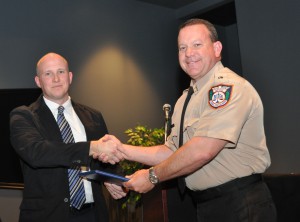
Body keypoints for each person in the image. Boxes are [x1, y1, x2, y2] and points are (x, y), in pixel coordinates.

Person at [102, 19, 277, 221]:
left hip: (241, 204)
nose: (188, 53)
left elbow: (202, 150)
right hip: (207, 206)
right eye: (182, 47)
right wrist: (121, 149)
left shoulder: (227, 88)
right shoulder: (186, 99)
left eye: (197, 45)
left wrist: (152, 176)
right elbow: (172, 152)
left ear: (217, 48)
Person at [10, 52, 125, 222]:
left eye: (61, 72)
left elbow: (105, 161)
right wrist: (91, 147)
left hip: (93, 214)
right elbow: (37, 153)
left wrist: (112, 179)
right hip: (47, 216)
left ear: (70, 77)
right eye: (48, 73)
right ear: (38, 81)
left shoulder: (93, 116)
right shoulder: (23, 116)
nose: (56, 79)